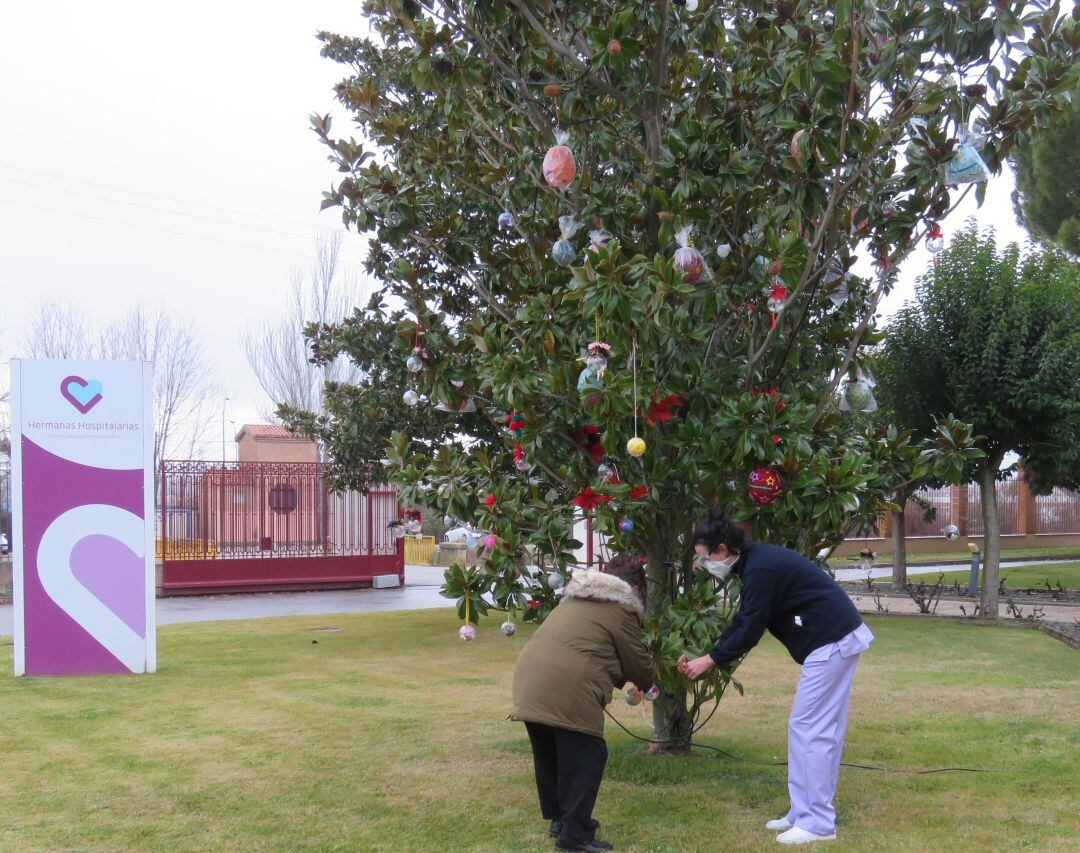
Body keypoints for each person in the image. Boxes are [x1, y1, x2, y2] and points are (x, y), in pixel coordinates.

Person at [679, 507, 874, 846]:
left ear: (722, 548)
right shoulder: (755, 563)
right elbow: (744, 619)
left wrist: (707, 662)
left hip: (832, 643)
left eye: (704, 557)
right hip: (829, 642)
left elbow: (751, 628)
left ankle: (818, 823)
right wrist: (709, 655)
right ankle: (803, 812)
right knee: (806, 728)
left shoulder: (762, 568)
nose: (704, 565)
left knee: (813, 731)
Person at [511, 556, 655, 852]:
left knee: (550, 752)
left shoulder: (573, 600)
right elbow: (638, 665)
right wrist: (656, 675)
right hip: (569, 686)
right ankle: (574, 836)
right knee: (588, 755)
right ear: (636, 588)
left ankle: (560, 821)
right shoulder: (622, 609)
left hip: (530, 681)